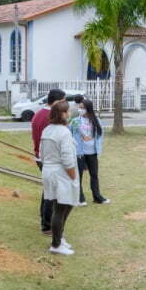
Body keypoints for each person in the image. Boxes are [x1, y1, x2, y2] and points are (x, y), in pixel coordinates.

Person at [39, 101, 80, 255]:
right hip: (61, 173)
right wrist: (73, 176)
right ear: (62, 114)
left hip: (49, 171)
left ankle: (59, 237)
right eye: (67, 111)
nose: (69, 113)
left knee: (63, 206)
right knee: (61, 208)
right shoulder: (63, 132)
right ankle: (56, 245)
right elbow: (67, 158)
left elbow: (41, 155)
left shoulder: (48, 130)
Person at [32, 88, 65, 234]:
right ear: (56, 101)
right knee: (51, 193)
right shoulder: (51, 116)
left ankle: (44, 217)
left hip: (40, 156)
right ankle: (46, 225)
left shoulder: (38, 114)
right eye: (63, 101)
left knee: (47, 190)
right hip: (49, 159)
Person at [72, 98, 109, 205]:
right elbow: (70, 133)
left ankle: (97, 197)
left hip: (92, 152)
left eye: (82, 108)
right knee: (78, 176)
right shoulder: (75, 121)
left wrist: (98, 146)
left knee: (94, 175)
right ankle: (80, 198)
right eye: (80, 107)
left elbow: (100, 134)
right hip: (79, 153)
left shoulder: (96, 120)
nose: (80, 109)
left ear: (88, 109)